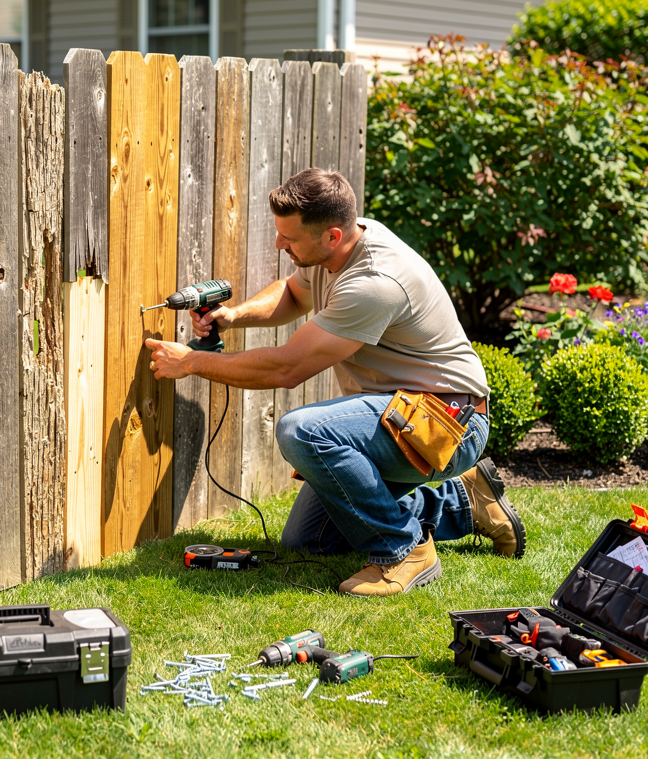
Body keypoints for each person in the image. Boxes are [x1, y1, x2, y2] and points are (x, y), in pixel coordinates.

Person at [144, 168, 525, 597]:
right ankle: (465, 503)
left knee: (302, 431)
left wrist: (193, 362)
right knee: (309, 540)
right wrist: (235, 315)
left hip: (448, 421)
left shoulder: (374, 283)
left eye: (289, 238)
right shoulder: (339, 247)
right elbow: (293, 293)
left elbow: (286, 369)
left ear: (332, 235)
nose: (279, 244)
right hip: (400, 412)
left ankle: (404, 550)